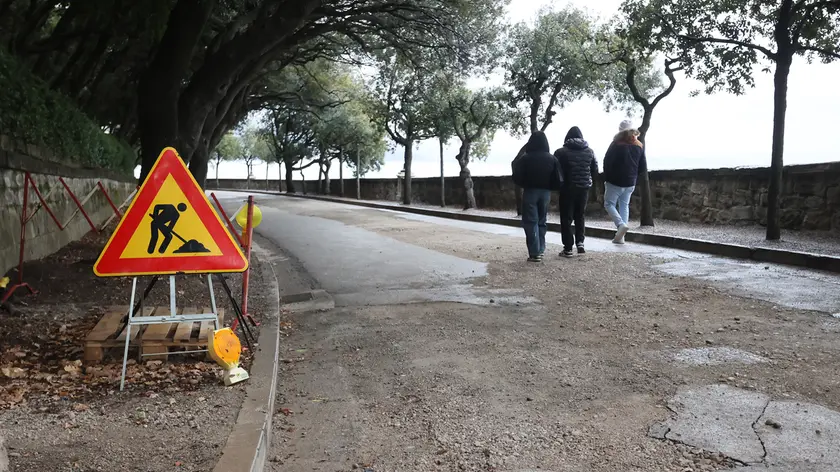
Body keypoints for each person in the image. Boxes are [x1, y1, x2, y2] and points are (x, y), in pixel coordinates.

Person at [512, 131, 563, 262]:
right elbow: (558, 178)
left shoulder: (525, 158)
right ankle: (541, 248)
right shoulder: (552, 159)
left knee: (531, 221)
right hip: (545, 193)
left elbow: (517, 176)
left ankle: (534, 252)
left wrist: (524, 183)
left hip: (530, 191)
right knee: (542, 221)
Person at [554, 126, 598, 257]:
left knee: (566, 218)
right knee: (580, 215)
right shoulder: (590, 151)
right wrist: (590, 183)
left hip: (567, 188)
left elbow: (556, 171)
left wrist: (557, 186)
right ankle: (580, 243)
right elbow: (594, 169)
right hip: (584, 188)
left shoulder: (560, 152)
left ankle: (568, 248)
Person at [603, 120, 646, 244]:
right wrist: (633, 176)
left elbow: (607, 162)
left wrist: (607, 177)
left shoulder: (616, 144)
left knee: (609, 204)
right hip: (630, 181)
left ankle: (620, 225)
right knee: (624, 205)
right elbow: (642, 166)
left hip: (614, 181)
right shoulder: (639, 145)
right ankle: (621, 237)